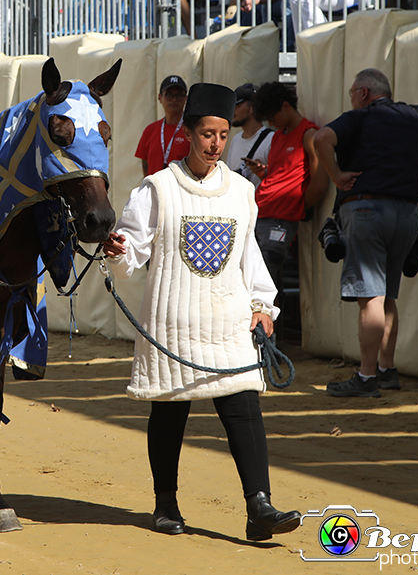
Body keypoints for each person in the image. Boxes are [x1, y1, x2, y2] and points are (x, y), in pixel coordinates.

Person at [101, 82, 302, 542]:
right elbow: (132, 249)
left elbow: (249, 256)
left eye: (224, 135)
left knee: (245, 406)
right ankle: (166, 505)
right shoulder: (157, 188)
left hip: (228, 320)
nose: (215, 144)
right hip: (172, 321)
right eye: (207, 134)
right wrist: (118, 248)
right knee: (170, 412)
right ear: (189, 133)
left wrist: (261, 305)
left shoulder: (241, 192)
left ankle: (259, 507)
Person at [313, 68, 418, 398]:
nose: (351, 98)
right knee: (387, 293)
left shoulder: (358, 118)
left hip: (366, 210)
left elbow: (321, 139)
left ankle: (366, 376)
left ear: (364, 92)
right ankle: (387, 369)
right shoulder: (414, 116)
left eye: (351, 92)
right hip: (407, 214)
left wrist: (335, 175)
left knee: (370, 298)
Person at [249, 81, 327, 298]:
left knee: (261, 281)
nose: (272, 124)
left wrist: (298, 207)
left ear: (286, 106)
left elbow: (320, 184)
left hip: (279, 219)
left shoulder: (309, 134)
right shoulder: (277, 136)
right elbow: (280, 175)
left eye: (272, 118)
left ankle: (264, 331)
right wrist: (263, 173)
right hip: (259, 213)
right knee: (252, 278)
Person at [136, 75, 189, 176]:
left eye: (179, 95)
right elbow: (145, 163)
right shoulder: (150, 130)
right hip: (155, 188)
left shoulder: (191, 131)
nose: (174, 100)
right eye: (169, 95)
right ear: (160, 97)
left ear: (185, 98)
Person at [224, 84, 273, 191]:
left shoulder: (271, 140)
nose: (233, 111)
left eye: (237, 106)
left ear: (253, 108)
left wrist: (262, 173)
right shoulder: (235, 139)